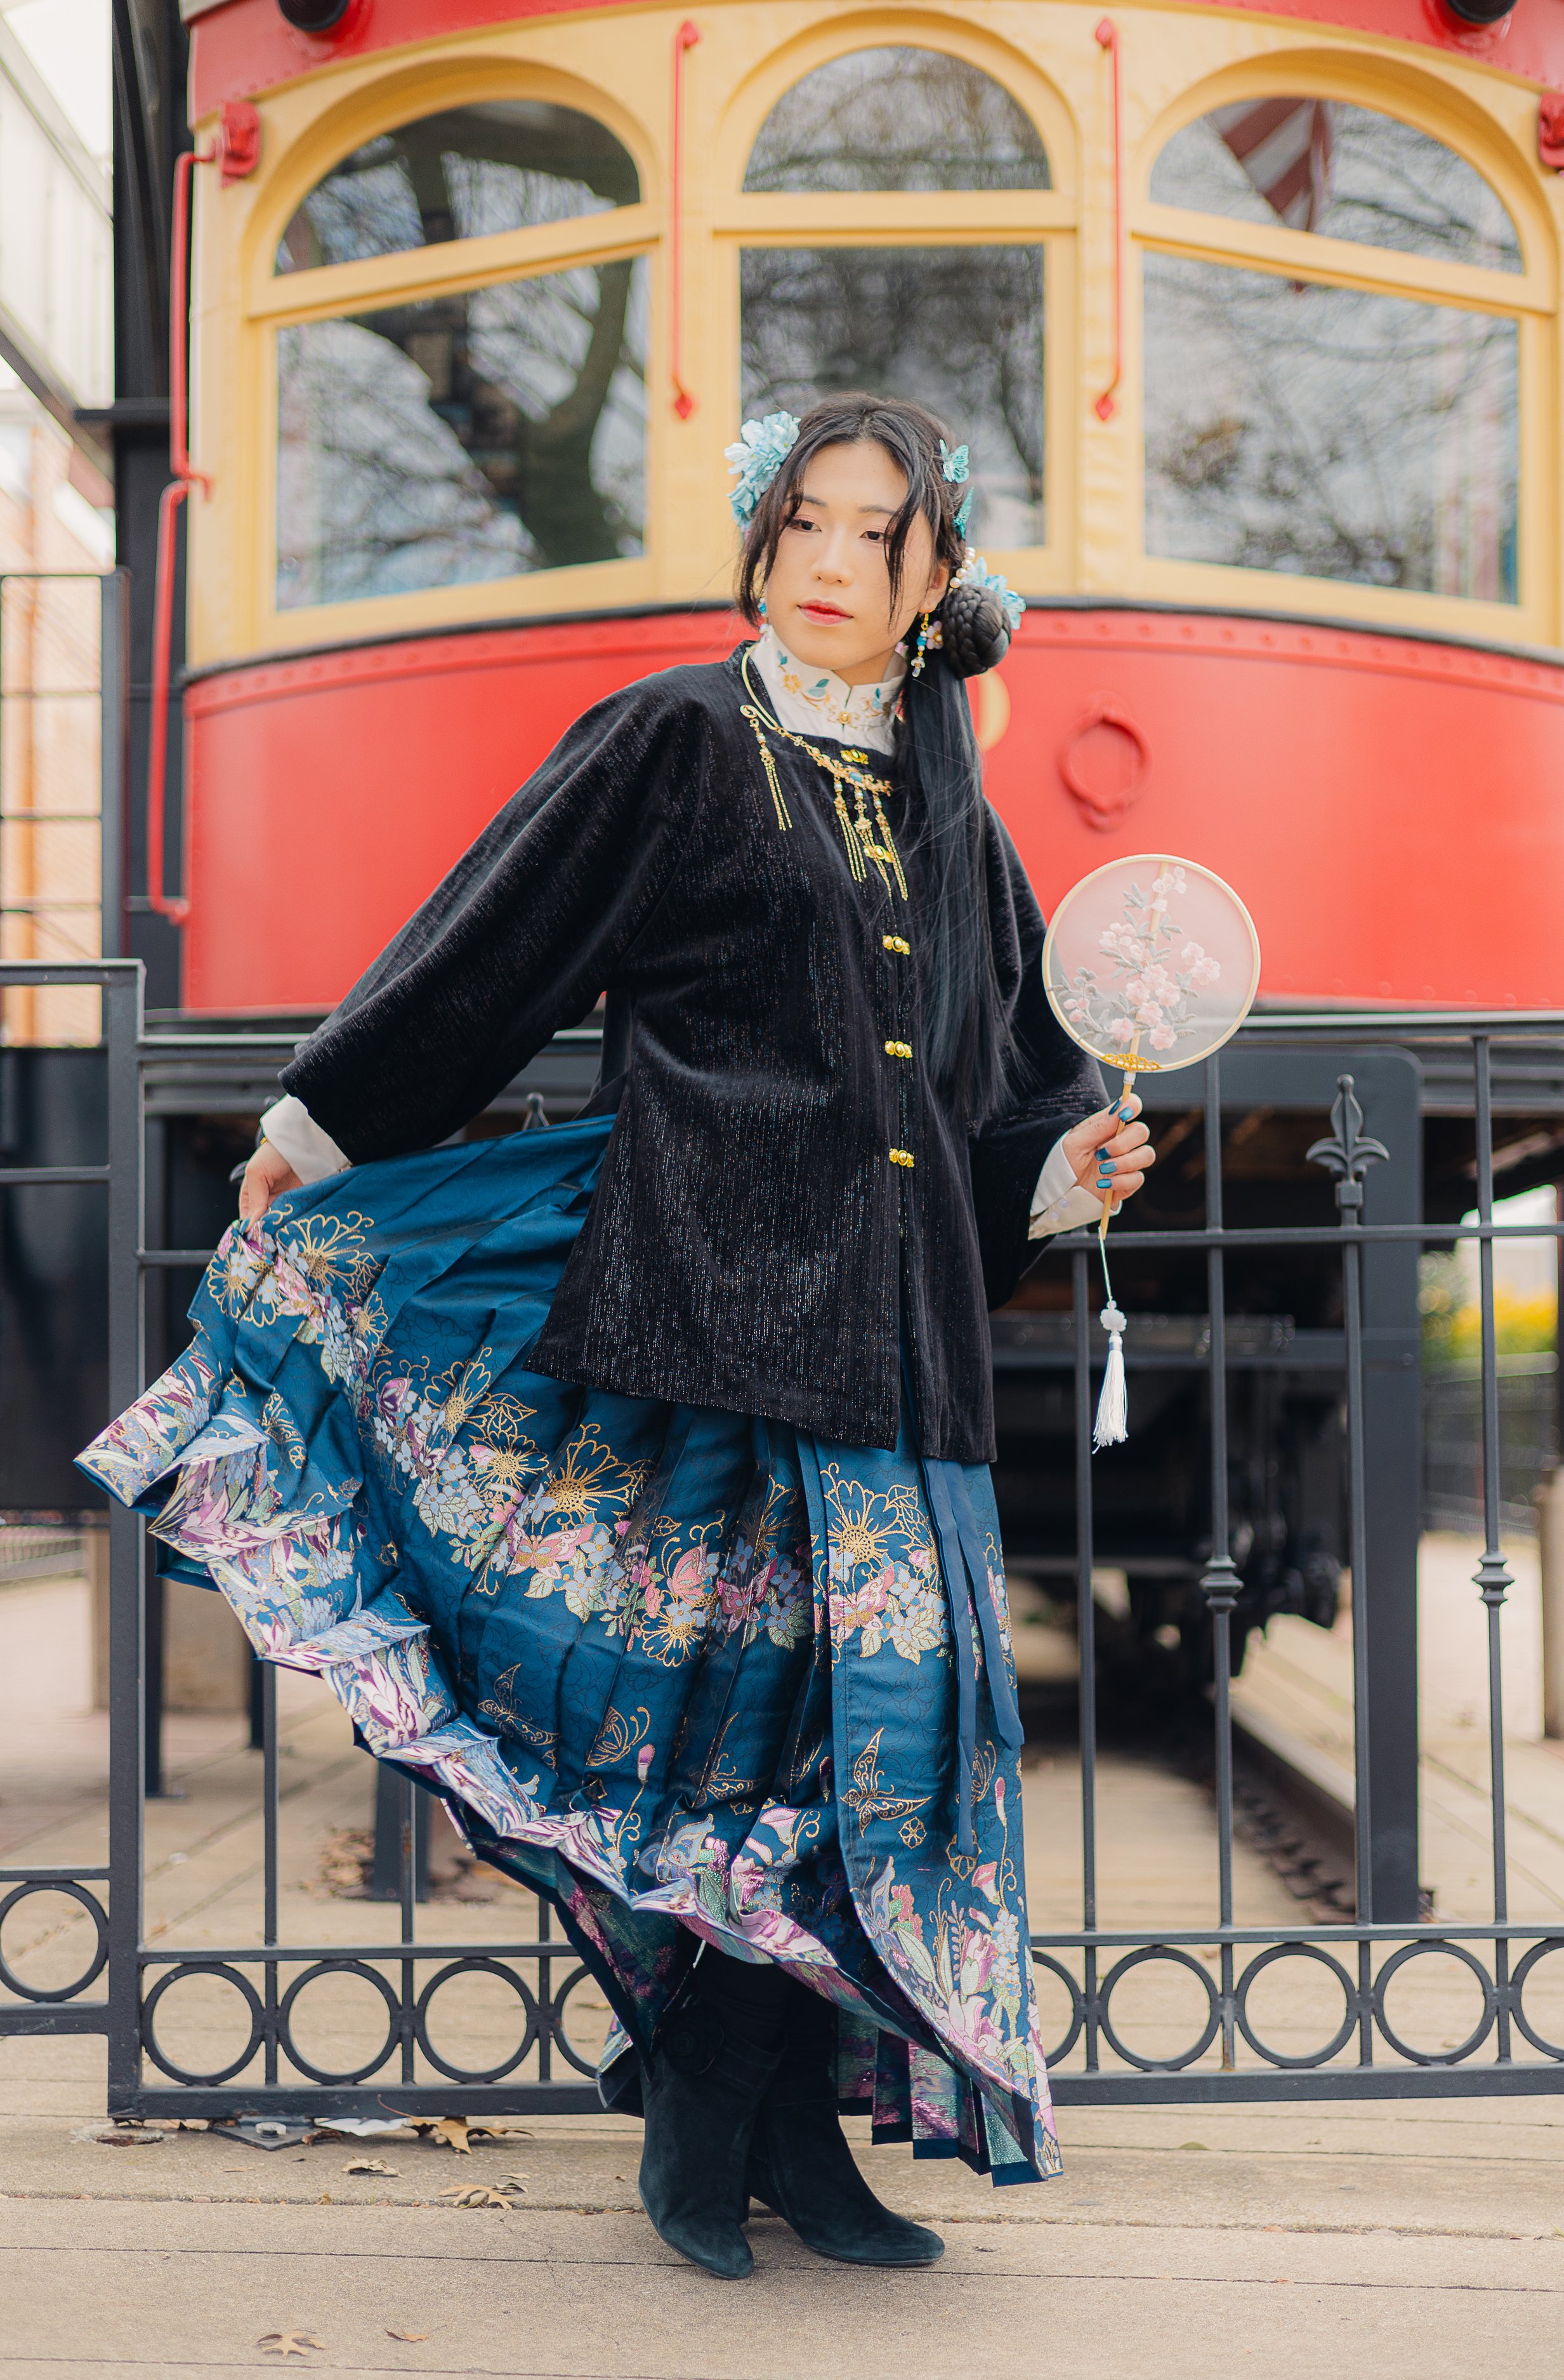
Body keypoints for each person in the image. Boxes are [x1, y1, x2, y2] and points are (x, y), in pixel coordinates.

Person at [81, 392, 1154, 2278]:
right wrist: (319, 1135)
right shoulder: (673, 735)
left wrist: (1066, 1162)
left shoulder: (945, 798)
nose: (826, 564)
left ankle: (794, 2150)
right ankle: (698, 2127)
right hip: (702, 1325)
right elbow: (494, 945)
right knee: (714, 1755)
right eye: (801, 523)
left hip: (894, 1359)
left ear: (934, 580)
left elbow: (995, 1081)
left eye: (871, 537)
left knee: (849, 1763)